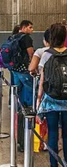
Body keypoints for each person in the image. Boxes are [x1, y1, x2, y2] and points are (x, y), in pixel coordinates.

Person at [37, 23, 67, 167]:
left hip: (51, 99)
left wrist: (38, 101)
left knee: (53, 131)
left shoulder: (46, 54)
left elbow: (42, 81)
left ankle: (53, 163)